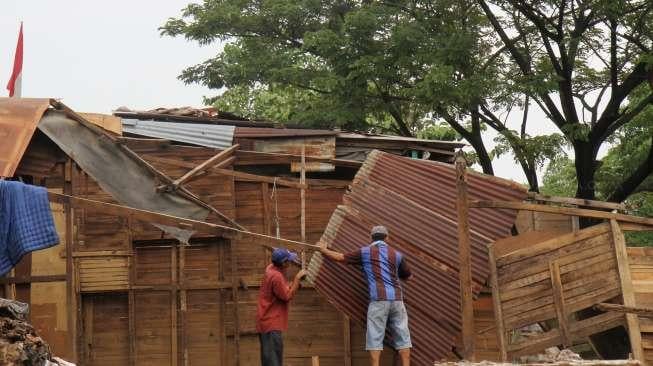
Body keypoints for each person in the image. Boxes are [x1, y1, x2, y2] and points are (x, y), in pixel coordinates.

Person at [320, 225, 412, 366]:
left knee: (375, 337)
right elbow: (408, 276)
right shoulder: (397, 254)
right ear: (387, 238)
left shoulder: (365, 252)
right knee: (403, 336)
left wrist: (323, 250)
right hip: (397, 300)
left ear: (371, 238)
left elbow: (340, 257)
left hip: (379, 300)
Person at [256, 247, 308, 366]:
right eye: (288, 261)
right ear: (283, 263)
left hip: (265, 321)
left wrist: (294, 284)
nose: (290, 263)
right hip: (271, 323)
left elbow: (281, 289)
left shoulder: (270, 268)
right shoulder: (276, 277)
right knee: (273, 362)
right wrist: (297, 278)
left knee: (269, 359)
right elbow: (286, 296)